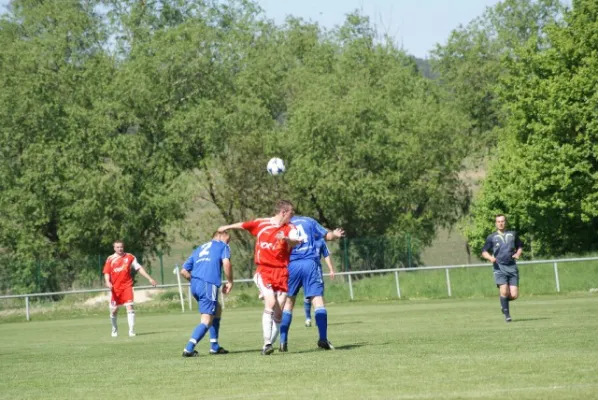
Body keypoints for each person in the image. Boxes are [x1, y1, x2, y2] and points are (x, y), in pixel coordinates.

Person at [217, 200, 302, 355]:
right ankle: (267, 343)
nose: (293, 216)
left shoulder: (291, 228)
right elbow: (244, 225)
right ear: (283, 212)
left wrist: (286, 239)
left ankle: (268, 346)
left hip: (282, 272)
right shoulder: (262, 224)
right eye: (291, 213)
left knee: (279, 313)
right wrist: (227, 227)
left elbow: (296, 241)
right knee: (270, 302)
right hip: (264, 270)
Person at [278, 215, 344, 352]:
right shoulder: (309, 221)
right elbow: (328, 236)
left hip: (291, 266)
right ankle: (323, 338)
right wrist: (335, 234)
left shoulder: (283, 224)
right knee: (318, 302)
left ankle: (283, 341)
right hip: (310, 264)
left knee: (288, 303)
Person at [180, 231, 234, 357]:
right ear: (220, 236)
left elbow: (183, 271)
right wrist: (230, 281)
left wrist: (196, 281)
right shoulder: (222, 246)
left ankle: (214, 346)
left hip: (195, 285)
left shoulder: (199, 248)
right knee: (207, 320)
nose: (228, 243)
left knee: (217, 309)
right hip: (208, 284)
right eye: (228, 240)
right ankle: (189, 348)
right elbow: (226, 263)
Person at [103, 240, 157, 337]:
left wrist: (149, 278)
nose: (120, 249)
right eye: (117, 247)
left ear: (123, 247)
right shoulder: (110, 259)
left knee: (130, 307)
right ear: (114, 248)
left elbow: (139, 268)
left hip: (127, 286)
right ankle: (114, 329)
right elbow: (107, 273)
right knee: (114, 310)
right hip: (115, 289)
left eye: (121, 247)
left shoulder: (130, 257)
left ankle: (131, 331)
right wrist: (108, 282)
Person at [481, 214, 523, 322]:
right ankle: (507, 315)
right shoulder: (491, 237)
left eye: (502, 221)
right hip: (499, 267)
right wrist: (490, 258)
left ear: (506, 222)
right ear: (496, 223)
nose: (500, 223)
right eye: (498, 221)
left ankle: (502, 303)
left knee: (513, 295)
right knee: (503, 291)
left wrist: (518, 254)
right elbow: (484, 251)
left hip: (512, 267)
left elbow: (520, 246)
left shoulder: (513, 234)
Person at [303, 238, 335, 328]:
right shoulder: (303, 238)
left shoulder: (320, 241)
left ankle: (318, 318)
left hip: (317, 271)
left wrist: (331, 269)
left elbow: (326, 254)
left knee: (318, 295)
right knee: (307, 296)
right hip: (305, 270)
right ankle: (308, 318)